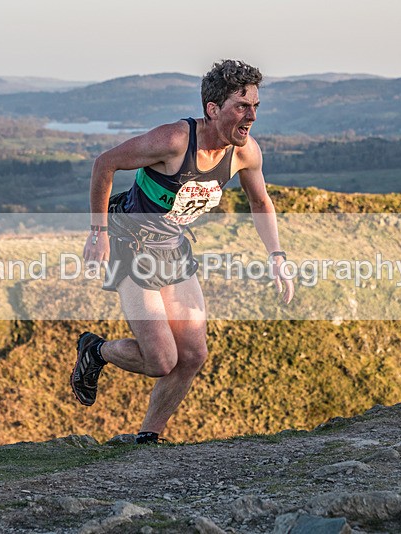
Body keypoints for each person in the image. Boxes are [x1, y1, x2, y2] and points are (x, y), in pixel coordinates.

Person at [71, 59, 294, 444]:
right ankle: (95, 351)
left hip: (173, 249)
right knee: (160, 360)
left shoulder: (244, 153)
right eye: (242, 106)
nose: (252, 116)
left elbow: (260, 202)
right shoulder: (175, 141)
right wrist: (98, 232)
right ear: (213, 109)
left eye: (256, 106)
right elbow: (104, 164)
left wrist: (277, 257)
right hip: (131, 245)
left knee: (192, 355)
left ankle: (148, 439)